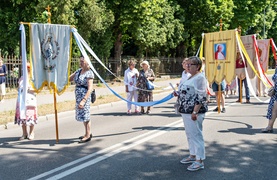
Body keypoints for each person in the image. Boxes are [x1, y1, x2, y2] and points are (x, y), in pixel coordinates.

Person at [175, 56, 208, 171]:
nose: (187, 66)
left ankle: (199, 160)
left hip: (193, 112)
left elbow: (201, 96)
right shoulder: (190, 77)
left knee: (196, 135)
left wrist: (195, 111)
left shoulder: (200, 78)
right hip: (186, 110)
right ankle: (193, 155)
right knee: (190, 134)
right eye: (187, 64)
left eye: (190, 65)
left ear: (198, 66)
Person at [69, 56, 94, 143]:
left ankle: (88, 135)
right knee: (83, 116)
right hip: (78, 97)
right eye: (80, 61)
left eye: (82, 61)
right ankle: (87, 133)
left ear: (87, 62)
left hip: (84, 97)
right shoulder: (79, 71)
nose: (81, 63)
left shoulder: (89, 73)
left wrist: (84, 100)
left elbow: (90, 88)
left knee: (86, 116)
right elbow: (69, 79)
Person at [15, 63, 38, 140]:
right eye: (25, 69)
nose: (27, 70)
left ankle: (31, 132)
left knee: (30, 116)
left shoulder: (33, 78)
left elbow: (37, 90)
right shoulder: (21, 78)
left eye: (28, 69)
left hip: (30, 99)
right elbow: (19, 88)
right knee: (22, 116)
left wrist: (28, 89)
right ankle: (24, 133)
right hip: (22, 100)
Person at [262, 67, 277, 133]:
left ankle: (269, 127)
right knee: (273, 108)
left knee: (274, 107)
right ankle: (269, 127)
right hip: (275, 93)